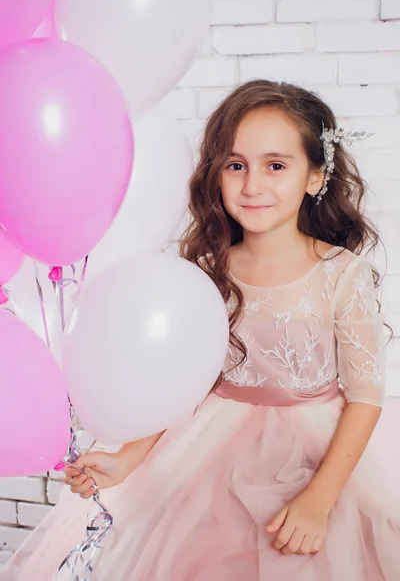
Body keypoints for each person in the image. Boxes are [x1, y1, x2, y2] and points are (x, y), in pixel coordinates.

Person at [2, 80, 399, 580]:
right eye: (236, 166)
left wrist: (319, 500)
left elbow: (365, 395)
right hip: (206, 449)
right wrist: (128, 459)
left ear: (316, 176)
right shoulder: (206, 270)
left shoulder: (342, 273)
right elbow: (185, 384)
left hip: (316, 453)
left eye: (276, 165)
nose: (253, 185)